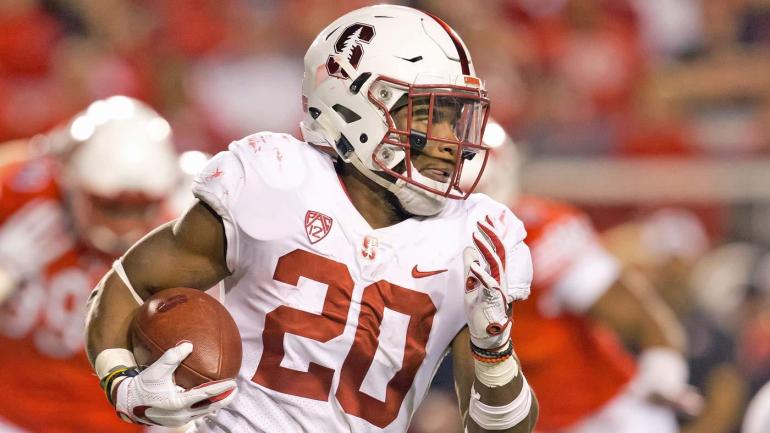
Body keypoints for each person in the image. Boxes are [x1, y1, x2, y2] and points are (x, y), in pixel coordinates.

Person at [85, 5, 538, 433]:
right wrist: (122, 383)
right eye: (425, 116)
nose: (446, 141)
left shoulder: (474, 236)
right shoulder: (275, 181)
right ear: (352, 107)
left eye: (454, 119)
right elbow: (128, 283)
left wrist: (493, 350)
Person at [465, 121, 700, 433]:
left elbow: (638, 317)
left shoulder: (536, 234)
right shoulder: (423, 253)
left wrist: (662, 374)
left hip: (604, 418)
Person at [0, 95, 182, 432]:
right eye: (110, 206)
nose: (124, 225)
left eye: (141, 207)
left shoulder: (178, 238)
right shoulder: (22, 194)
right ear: (71, 182)